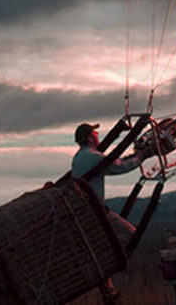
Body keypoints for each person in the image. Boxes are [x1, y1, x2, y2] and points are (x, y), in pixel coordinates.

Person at [70, 122, 144, 305]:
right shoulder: (92, 157)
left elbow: (112, 160)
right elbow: (120, 167)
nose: (97, 135)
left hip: (86, 214)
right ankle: (106, 266)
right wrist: (143, 156)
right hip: (95, 213)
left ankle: (108, 293)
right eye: (95, 133)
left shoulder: (80, 157)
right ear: (89, 137)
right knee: (130, 235)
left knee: (99, 248)